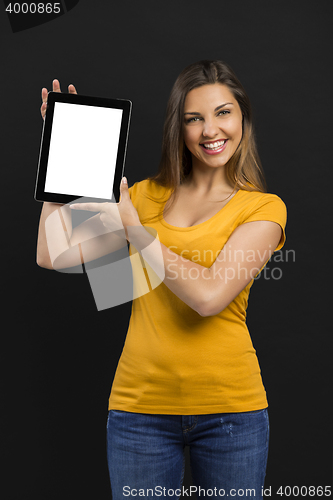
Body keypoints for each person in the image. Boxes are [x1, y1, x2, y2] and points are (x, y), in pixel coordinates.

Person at [36, 60, 287, 499]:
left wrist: (136, 232)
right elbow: (52, 253)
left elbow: (209, 297)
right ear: (181, 129)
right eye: (195, 118)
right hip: (140, 414)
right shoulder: (146, 196)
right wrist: (63, 152)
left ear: (243, 118)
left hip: (231, 414)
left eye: (223, 112)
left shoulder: (263, 208)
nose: (211, 130)